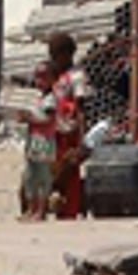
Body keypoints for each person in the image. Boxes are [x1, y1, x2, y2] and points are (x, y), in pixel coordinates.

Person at [48, 32, 85, 219]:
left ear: (66, 54)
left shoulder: (76, 76)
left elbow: (81, 107)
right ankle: (59, 206)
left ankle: (71, 208)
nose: (53, 59)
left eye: (55, 55)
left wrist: (82, 137)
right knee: (57, 170)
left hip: (70, 132)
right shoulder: (59, 77)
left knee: (70, 170)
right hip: (56, 131)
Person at [17, 62, 59, 222]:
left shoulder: (50, 99)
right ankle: (30, 208)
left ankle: (41, 211)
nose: (39, 81)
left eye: (43, 77)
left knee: (42, 177)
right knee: (30, 176)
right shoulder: (39, 98)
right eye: (37, 77)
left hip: (44, 142)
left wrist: (30, 118)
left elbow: (47, 118)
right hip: (33, 141)